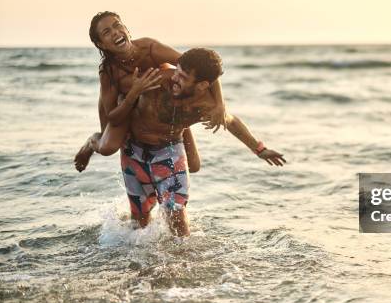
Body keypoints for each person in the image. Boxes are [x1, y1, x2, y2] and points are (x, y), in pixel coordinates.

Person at [122, 47, 286, 236]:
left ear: (202, 85)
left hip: (170, 150)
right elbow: (118, 87)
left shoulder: (206, 105)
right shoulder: (159, 79)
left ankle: (186, 262)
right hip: (133, 149)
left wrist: (259, 149)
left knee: (176, 216)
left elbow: (231, 122)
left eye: (183, 77)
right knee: (139, 219)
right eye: (177, 71)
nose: (175, 78)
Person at [73, 11, 227, 172]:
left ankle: (176, 123)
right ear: (101, 44)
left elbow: (203, 70)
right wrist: (134, 92)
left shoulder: (151, 48)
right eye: (107, 32)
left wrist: (220, 104)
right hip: (124, 101)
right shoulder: (108, 71)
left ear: (126, 28)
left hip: (162, 103)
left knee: (193, 166)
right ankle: (91, 143)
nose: (115, 32)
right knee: (108, 147)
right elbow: (113, 116)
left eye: (117, 25)